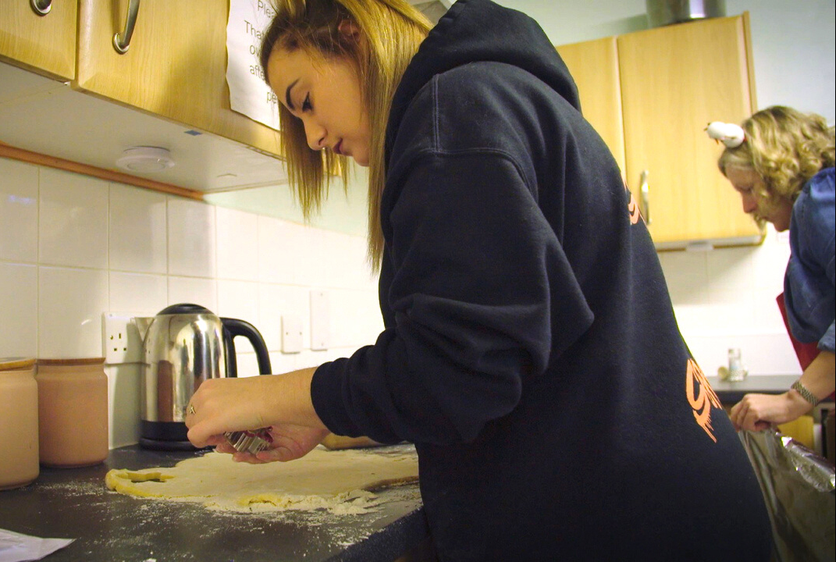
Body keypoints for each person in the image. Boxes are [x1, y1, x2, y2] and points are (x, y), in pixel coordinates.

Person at [186, 1, 773, 559]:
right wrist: (319, 416)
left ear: (351, 34)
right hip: (668, 500)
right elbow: (498, 367)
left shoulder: (452, 116)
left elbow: (454, 375)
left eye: (305, 100)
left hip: (638, 529)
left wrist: (265, 392)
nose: (313, 137)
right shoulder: (494, 98)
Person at [711, 106, 835, 433]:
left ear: (779, 173)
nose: (747, 207)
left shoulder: (820, 202)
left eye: (749, 190)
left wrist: (792, 401)